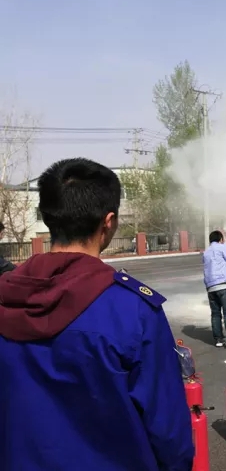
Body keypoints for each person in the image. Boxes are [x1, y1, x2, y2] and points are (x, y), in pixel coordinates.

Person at [0, 158, 194, 471]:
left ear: (47, 217)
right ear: (109, 223)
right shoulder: (133, 311)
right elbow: (169, 434)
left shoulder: (6, 296)